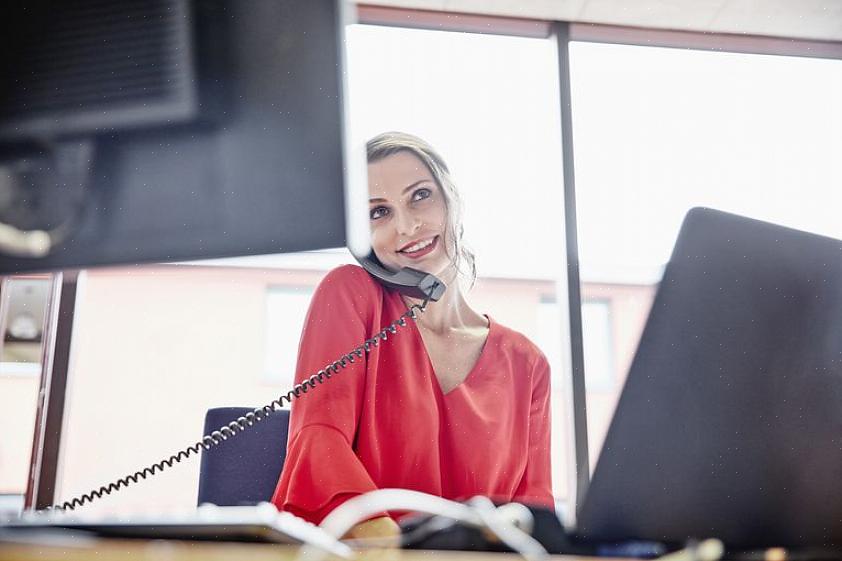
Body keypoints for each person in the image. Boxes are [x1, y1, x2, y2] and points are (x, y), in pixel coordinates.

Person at [271, 132, 553, 540]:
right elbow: (318, 441)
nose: (407, 226)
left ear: (451, 198)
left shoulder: (527, 362)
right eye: (378, 213)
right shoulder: (351, 294)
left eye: (420, 196)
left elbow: (532, 515)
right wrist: (399, 551)